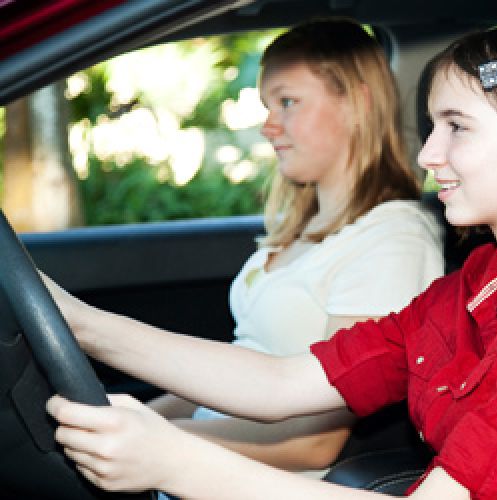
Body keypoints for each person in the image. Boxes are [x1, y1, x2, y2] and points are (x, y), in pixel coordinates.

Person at [45, 19, 497, 499]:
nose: (428, 155)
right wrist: (79, 323)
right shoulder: (477, 283)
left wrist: (174, 461)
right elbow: (281, 382)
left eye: (456, 127)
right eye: (432, 126)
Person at [147, 17, 444, 474]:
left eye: (287, 102)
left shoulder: (394, 241)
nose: (268, 127)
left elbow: (314, 444)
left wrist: (156, 439)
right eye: (268, 106)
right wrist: (136, 415)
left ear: (357, 104)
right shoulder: (303, 224)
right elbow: (241, 364)